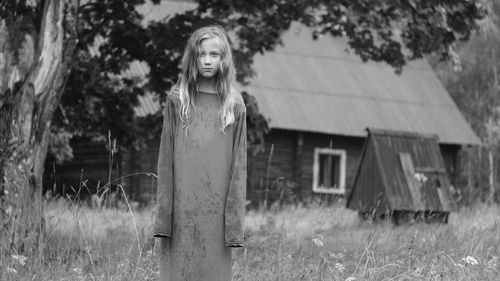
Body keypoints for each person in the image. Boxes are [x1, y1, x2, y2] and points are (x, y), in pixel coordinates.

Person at [153, 25, 247, 281]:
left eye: (214, 54)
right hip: (182, 209)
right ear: (192, 58)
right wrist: (164, 216)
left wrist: (234, 224)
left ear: (223, 59)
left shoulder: (234, 105)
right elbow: (165, 161)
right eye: (201, 54)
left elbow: (239, 169)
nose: (207, 60)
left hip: (216, 214)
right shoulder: (178, 99)